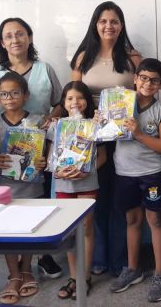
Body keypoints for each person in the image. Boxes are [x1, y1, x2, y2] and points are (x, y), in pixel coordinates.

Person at [0, 17, 64, 278]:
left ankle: (43, 254)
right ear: (2, 42)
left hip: (40, 148)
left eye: (20, 34)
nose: (15, 40)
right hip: (3, 151)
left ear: (30, 37)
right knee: (10, 208)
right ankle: (15, 266)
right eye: (9, 36)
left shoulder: (44, 69)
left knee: (40, 202)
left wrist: (53, 117)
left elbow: (59, 102)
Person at [71, 1, 142, 276]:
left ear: (121, 25)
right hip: (92, 137)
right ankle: (97, 259)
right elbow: (74, 95)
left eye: (114, 21)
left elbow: (146, 95)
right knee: (94, 196)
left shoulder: (132, 57)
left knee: (120, 199)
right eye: (103, 21)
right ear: (95, 24)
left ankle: (120, 260)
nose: (108, 26)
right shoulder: (82, 58)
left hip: (124, 138)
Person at [109, 59, 161, 302]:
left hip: (152, 173)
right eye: (143, 78)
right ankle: (133, 268)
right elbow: (104, 132)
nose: (147, 83)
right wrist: (99, 122)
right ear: (135, 78)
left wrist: (139, 134)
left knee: (155, 219)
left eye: (154, 80)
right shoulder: (118, 104)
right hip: (124, 172)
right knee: (132, 219)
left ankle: (160, 273)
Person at [0, 73, 46, 304]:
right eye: (4, 94)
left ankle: (27, 270)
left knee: (29, 230)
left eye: (15, 92)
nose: (10, 97)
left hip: (31, 186)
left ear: (25, 95)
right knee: (7, 233)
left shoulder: (38, 120)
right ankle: (13, 275)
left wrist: (43, 161)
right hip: (3, 186)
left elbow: (48, 152)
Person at [50, 81, 107, 300]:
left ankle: (84, 277)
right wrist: (60, 172)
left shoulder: (94, 126)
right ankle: (73, 277)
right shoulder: (57, 126)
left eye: (80, 98)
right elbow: (49, 158)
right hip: (64, 185)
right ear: (63, 103)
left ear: (87, 101)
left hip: (87, 184)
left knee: (86, 229)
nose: (75, 102)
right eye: (70, 98)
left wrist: (86, 170)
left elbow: (102, 157)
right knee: (70, 232)